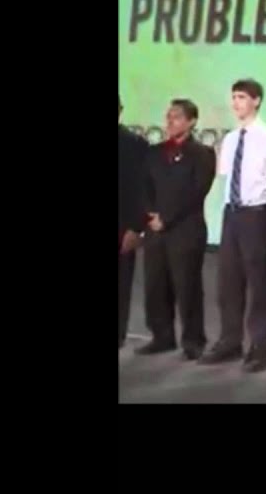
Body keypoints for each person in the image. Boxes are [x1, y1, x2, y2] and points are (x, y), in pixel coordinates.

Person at [199, 79, 266, 372]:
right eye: (234, 97)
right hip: (231, 213)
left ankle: (260, 347)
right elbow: (226, 176)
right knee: (228, 280)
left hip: (256, 213)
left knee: (258, 281)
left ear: (256, 101)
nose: (236, 103)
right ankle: (230, 340)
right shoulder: (231, 139)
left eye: (242, 97)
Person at [137, 99, 216, 360]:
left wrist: (167, 218)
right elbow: (144, 187)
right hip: (155, 230)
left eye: (177, 117)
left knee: (187, 286)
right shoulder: (154, 152)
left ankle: (193, 340)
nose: (171, 121)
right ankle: (162, 336)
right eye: (169, 116)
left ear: (192, 121)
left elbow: (196, 192)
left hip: (185, 230)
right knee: (156, 284)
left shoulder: (203, 153)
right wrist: (151, 215)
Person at [119, 95, 150, 349]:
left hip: (122, 225)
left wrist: (136, 228)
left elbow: (142, 190)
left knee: (121, 283)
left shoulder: (135, 144)